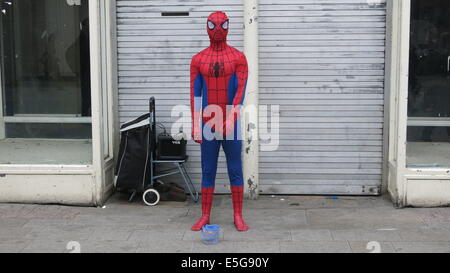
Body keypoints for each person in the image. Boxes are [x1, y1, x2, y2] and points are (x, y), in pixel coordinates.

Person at [190, 11, 249, 232]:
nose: (217, 30)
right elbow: (195, 95)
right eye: (212, 25)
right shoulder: (198, 60)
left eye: (221, 25)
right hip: (208, 124)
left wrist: (231, 117)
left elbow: (240, 91)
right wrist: (196, 125)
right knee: (208, 170)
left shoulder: (238, 58)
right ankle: (205, 215)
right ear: (206, 27)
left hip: (230, 125)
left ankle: (238, 215)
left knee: (235, 169)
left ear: (228, 27)